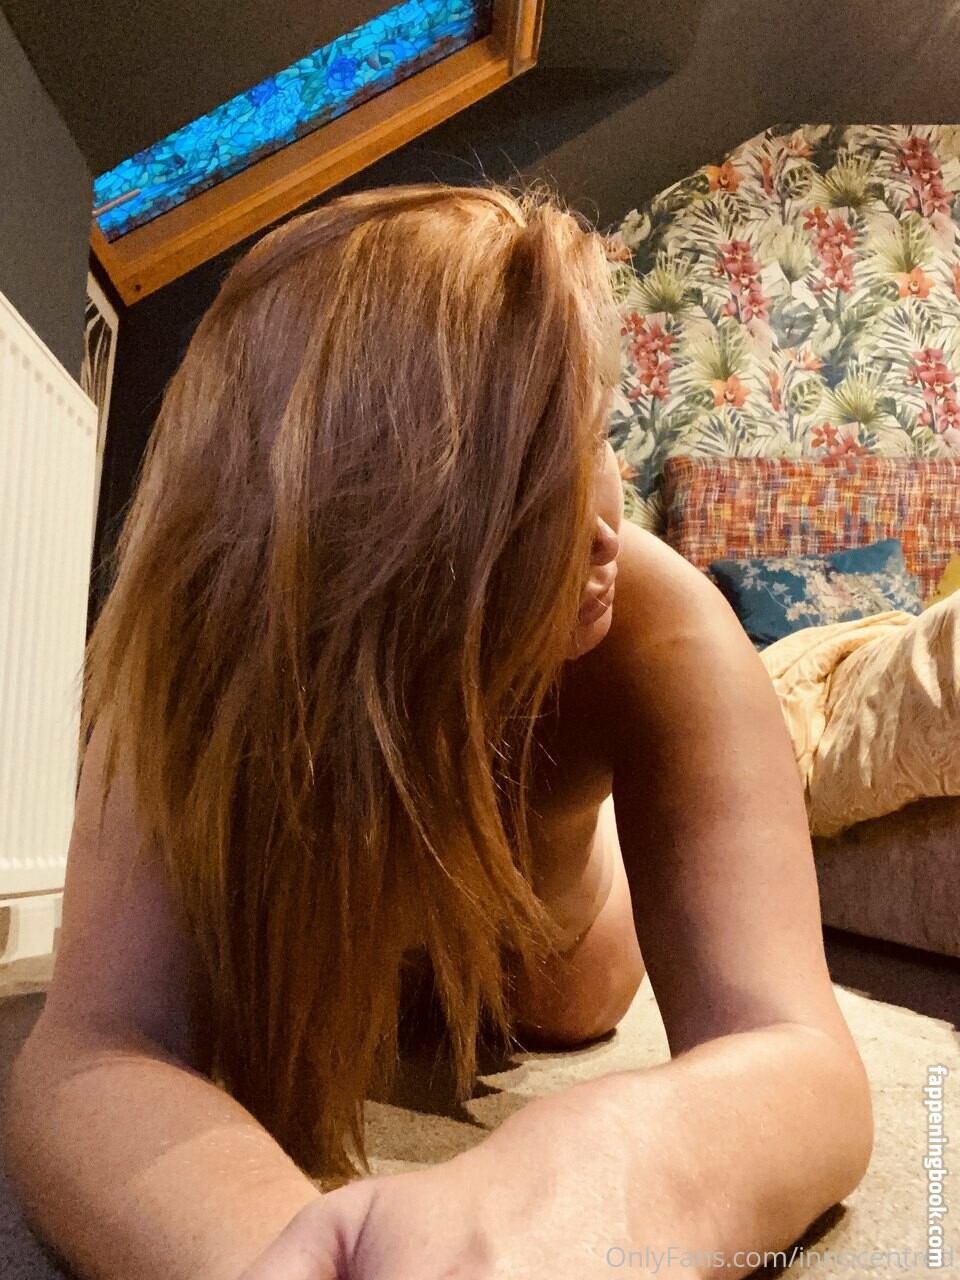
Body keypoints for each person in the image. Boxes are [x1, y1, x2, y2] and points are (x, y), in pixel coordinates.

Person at [4, 181, 873, 1280]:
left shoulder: (665, 625)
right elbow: (93, 1044)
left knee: (566, 1006)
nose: (604, 526)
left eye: (598, 439)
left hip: (550, 957)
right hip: (339, 863)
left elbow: (803, 1056)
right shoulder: (200, 641)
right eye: (530, 485)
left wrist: (609, 1166)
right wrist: (286, 1252)